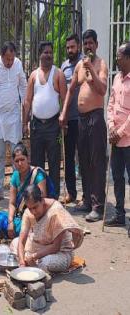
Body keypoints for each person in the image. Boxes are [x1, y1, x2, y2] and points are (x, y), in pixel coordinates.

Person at [59, 29, 108, 222]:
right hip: (81, 120)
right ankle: (87, 200)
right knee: (84, 161)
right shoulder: (80, 65)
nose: (88, 46)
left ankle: (98, 205)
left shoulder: (100, 64)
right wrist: (63, 112)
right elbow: (71, 90)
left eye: (91, 43)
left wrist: (92, 71)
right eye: (86, 43)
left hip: (95, 118)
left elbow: (102, 89)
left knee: (97, 162)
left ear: (96, 44)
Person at [0, 41, 27, 200]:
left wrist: (26, 110)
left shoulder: (18, 64)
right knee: (0, 155)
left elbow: (23, 87)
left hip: (14, 117)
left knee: (17, 155)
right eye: (7, 59)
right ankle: (0, 188)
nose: (10, 62)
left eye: (12, 58)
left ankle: (18, 187)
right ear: (1, 56)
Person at [23, 41, 67, 198]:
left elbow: (64, 98)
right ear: (39, 54)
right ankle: (38, 197)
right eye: (45, 52)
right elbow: (28, 101)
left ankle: (53, 197)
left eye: (50, 52)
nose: (48, 55)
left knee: (54, 163)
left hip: (53, 125)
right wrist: (24, 122)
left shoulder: (58, 74)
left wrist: (64, 117)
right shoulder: (33, 75)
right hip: (36, 126)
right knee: (36, 163)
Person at [11, 184, 84, 273]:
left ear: (42, 200)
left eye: (35, 207)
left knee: (45, 262)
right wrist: (22, 262)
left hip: (60, 253)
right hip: (38, 247)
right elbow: (22, 241)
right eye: (30, 208)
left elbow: (55, 247)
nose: (33, 212)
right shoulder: (28, 212)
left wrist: (34, 256)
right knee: (15, 243)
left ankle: (35, 268)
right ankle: (31, 266)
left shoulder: (56, 211)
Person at [105, 42, 130, 227]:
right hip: (115, 139)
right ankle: (120, 214)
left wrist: (120, 132)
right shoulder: (116, 79)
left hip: (128, 139)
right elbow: (111, 104)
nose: (116, 59)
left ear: (128, 58)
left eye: (119, 57)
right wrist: (112, 126)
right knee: (118, 179)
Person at [6, 143, 50, 239]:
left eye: (22, 159)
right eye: (17, 161)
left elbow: (42, 202)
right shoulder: (15, 176)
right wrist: (10, 222)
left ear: (28, 159)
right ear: (13, 163)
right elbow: (12, 203)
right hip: (20, 214)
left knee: (25, 229)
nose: (20, 163)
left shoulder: (38, 175)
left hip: (36, 215)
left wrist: (28, 217)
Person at [60, 34, 83, 204]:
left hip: (84, 118)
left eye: (72, 47)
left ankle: (88, 194)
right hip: (69, 118)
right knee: (68, 158)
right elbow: (62, 94)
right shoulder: (64, 67)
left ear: (79, 47)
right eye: (68, 48)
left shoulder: (85, 64)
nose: (70, 50)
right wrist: (63, 116)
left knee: (84, 156)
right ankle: (72, 193)